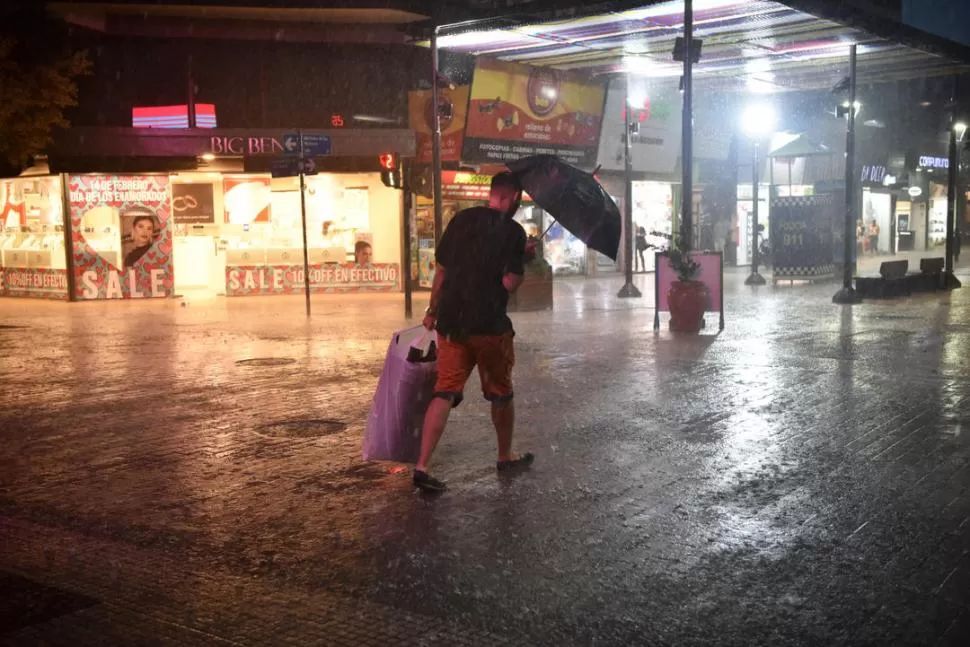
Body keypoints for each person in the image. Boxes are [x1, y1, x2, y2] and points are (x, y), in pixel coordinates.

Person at [414, 172, 536, 492]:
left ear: (491, 193)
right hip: (489, 327)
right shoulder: (513, 232)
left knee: (445, 390)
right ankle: (504, 455)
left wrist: (432, 310)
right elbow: (510, 283)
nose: (518, 205)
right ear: (511, 199)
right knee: (500, 392)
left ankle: (422, 465)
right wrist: (524, 258)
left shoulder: (462, 219)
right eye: (518, 200)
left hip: (452, 323)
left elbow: (441, 271)